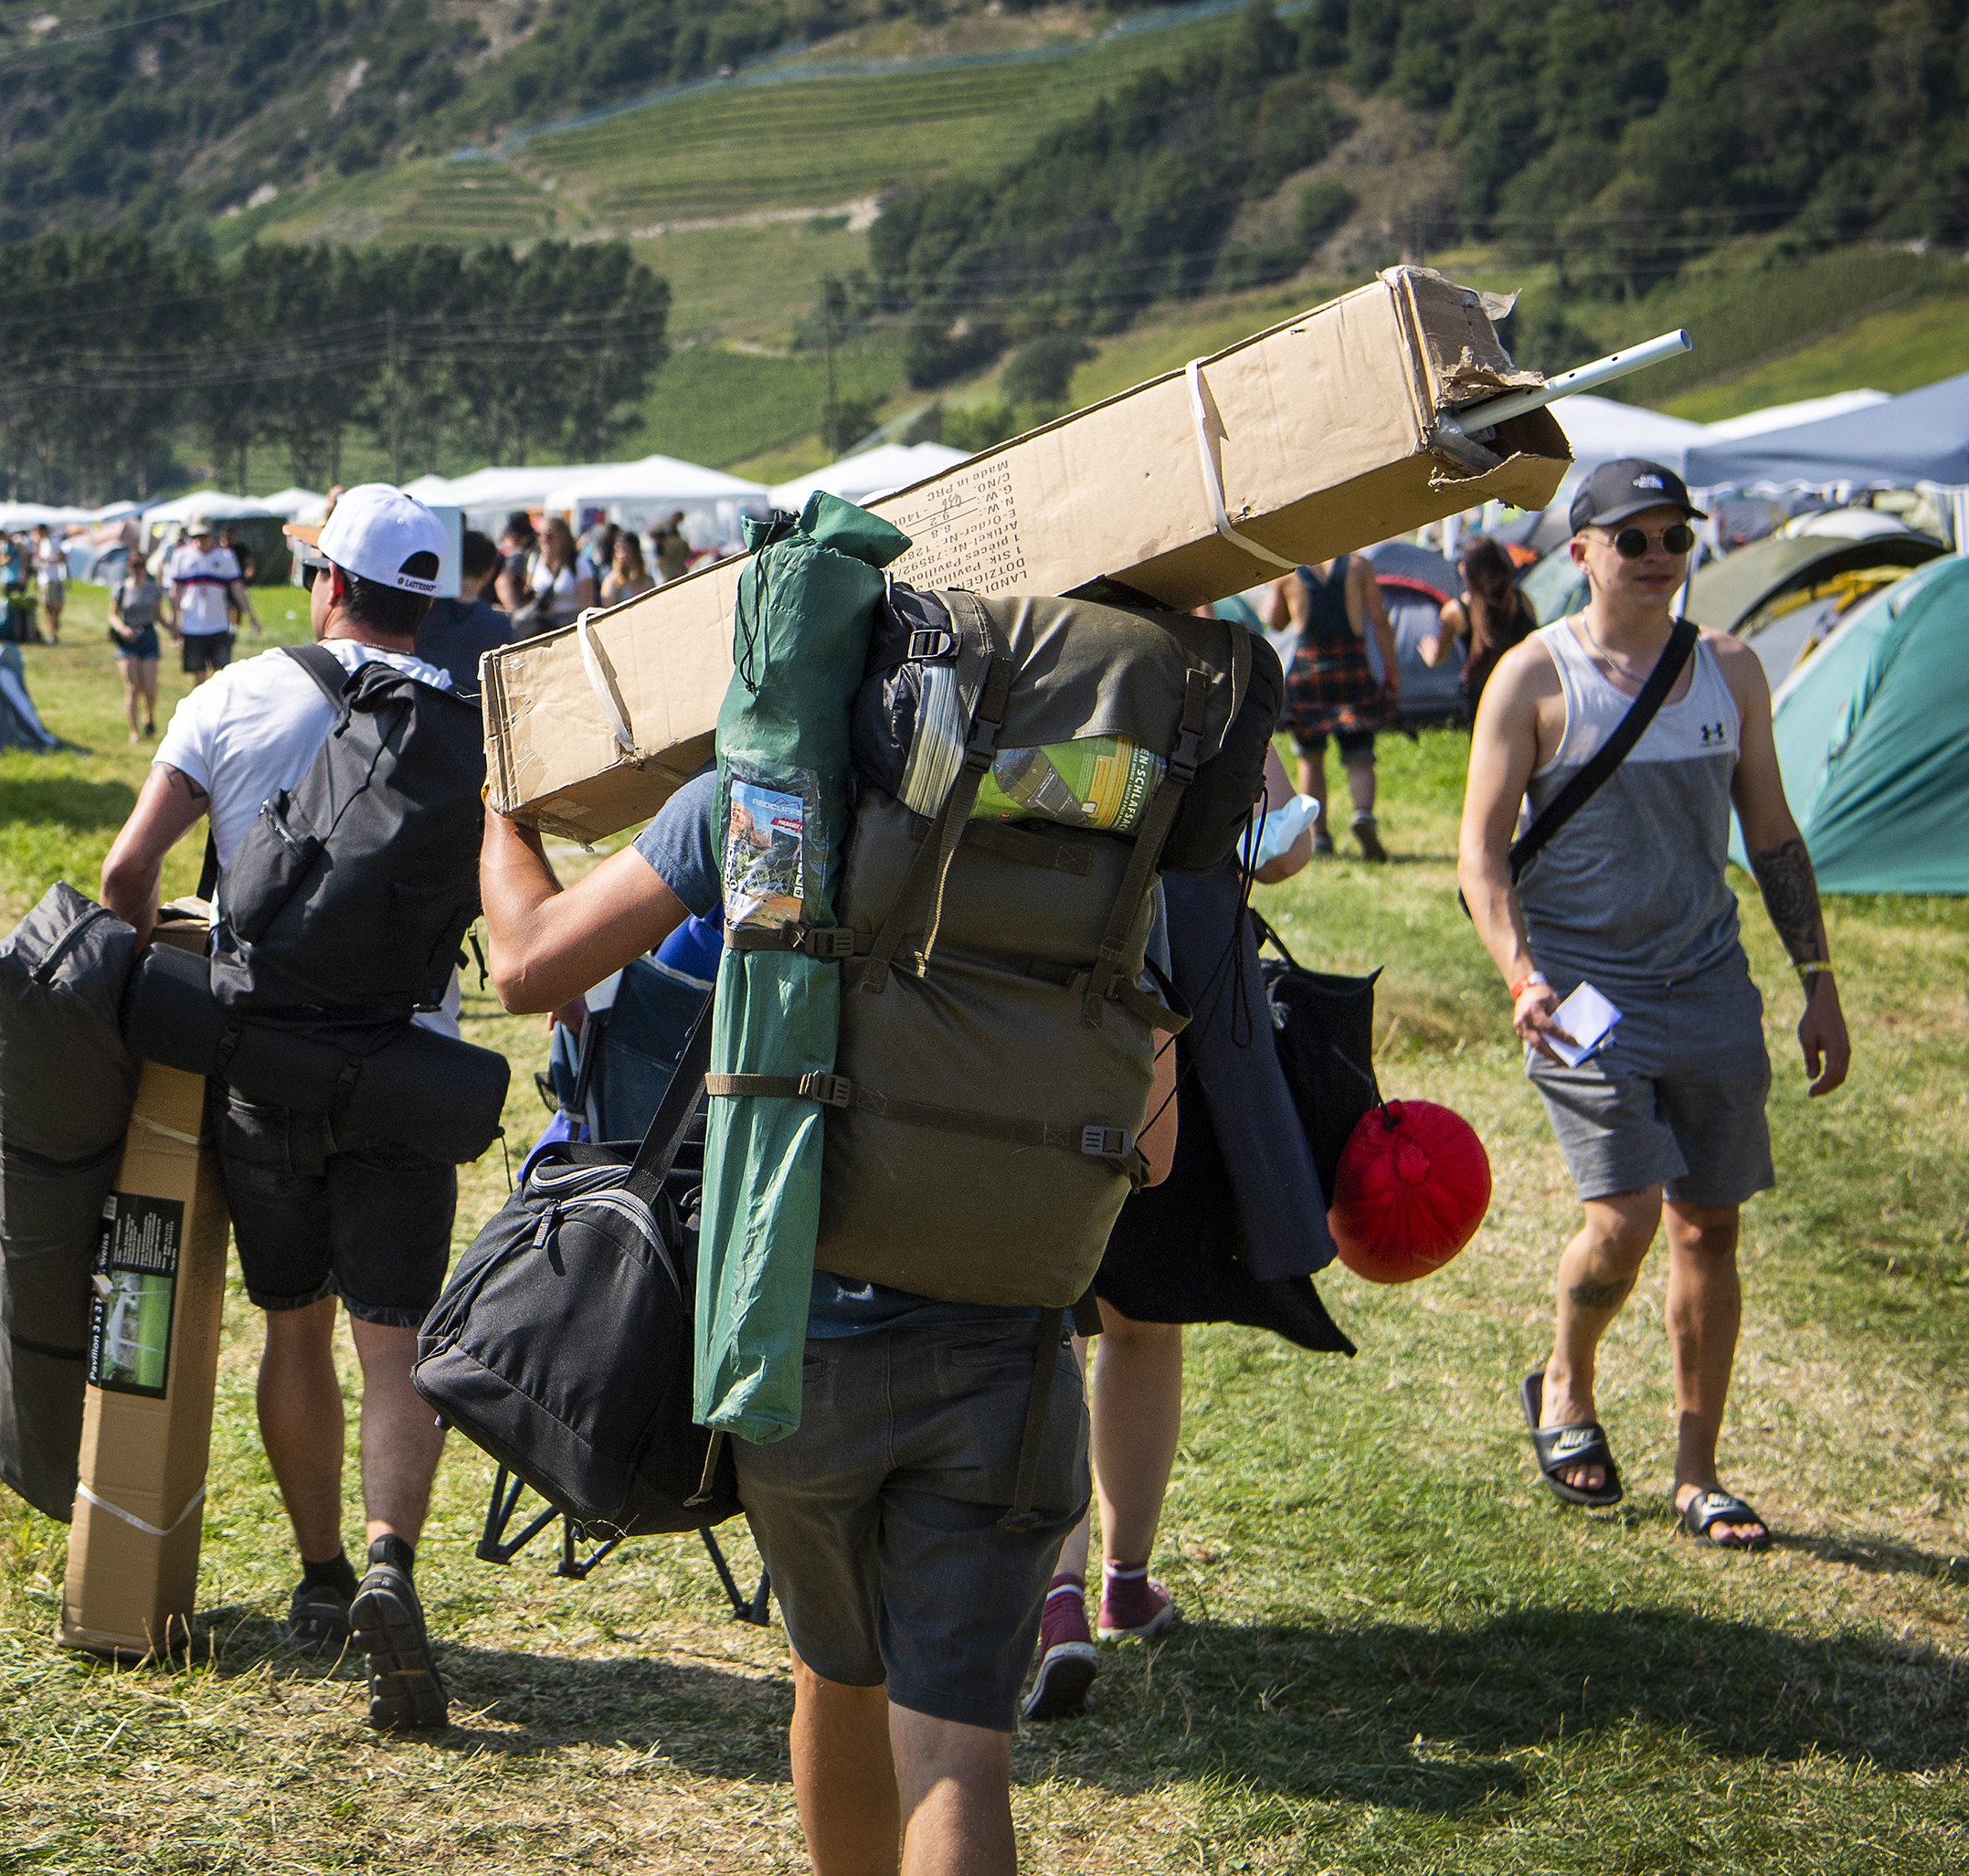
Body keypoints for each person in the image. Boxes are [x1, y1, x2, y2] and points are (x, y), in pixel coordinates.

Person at [479, 769, 1180, 1874]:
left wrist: (504, 810)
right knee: (956, 1751)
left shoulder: (764, 794)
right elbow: (1155, 1148)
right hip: (1006, 1348)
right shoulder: (1088, 824)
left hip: (802, 1352)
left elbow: (526, 962)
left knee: (836, 1680)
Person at [95, 486, 467, 1732]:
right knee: (393, 1338)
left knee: (293, 1329)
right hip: (409, 1065)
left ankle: (319, 1583)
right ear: (433, 598)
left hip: (263, 1067)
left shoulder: (230, 697)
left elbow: (126, 871)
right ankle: (394, 1565)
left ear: (327, 581)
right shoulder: (472, 721)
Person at [1459, 458, 1848, 1553]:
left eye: (1674, 534)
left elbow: (1770, 836)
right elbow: (1480, 860)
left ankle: (1697, 1473)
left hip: (1711, 988)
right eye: (1630, 538)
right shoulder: (1533, 680)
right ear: (1578, 551)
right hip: (1584, 999)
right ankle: (1567, 1386)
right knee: (1624, 1218)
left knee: (1708, 1226)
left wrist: (1818, 984)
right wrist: (1521, 975)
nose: (1656, 555)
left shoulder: (1730, 669)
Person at [1028, 749, 1323, 1721]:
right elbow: (1281, 851)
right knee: (1142, 1318)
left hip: (1026, 991)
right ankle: (1120, 1579)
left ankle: (1058, 1597)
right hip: (1176, 1014)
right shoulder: (1213, 658)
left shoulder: (1019, 635)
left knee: (1045, 1322)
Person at [1255, 549, 1402, 860]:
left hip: (1309, 675)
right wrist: (1391, 672)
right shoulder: (1359, 566)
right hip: (1353, 669)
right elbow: (1379, 621)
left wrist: (1278, 594)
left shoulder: (1287, 571)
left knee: (1310, 758)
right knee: (1360, 753)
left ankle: (1319, 835)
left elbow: (1278, 623)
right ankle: (1363, 814)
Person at [1422, 536, 1538, 722]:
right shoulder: (1520, 600)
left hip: (1484, 698)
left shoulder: (1455, 611)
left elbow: (1438, 658)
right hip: (1525, 690)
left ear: (1467, 571)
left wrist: (1429, 655)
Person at [412, 529, 516, 697]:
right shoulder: (499, 624)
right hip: (473, 712)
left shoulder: (422, 612)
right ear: (489, 573)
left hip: (423, 703)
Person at [166, 519, 255, 684]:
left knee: (220, 675)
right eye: (197, 536)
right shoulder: (182, 555)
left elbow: (237, 589)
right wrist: (174, 619)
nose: (201, 540)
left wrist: (250, 615)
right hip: (192, 624)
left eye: (204, 535)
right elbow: (175, 591)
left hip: (218, 624)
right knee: (198, 675)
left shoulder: (225, 555)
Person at [108, 525, 163, 740]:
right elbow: (112, 615)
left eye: (141, 565)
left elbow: (159, 616)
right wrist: (122, 629)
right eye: (135, 565)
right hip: (127, 639)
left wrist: (174, 629)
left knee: (149, 688)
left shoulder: (153, 589)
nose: (139, 568)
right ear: (129, 567)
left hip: (148, 636)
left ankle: (149, 713)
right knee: (132, 687)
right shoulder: (121, 589)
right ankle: (134, 732)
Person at [39, 526, 69, 645]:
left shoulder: (54, 541)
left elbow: (62, 557)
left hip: (53, 579)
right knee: (48, 607)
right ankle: (52, 633)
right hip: (43, 579)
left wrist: (47, 560)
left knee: (54, 607)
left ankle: (53, 633)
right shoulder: (42, 542)